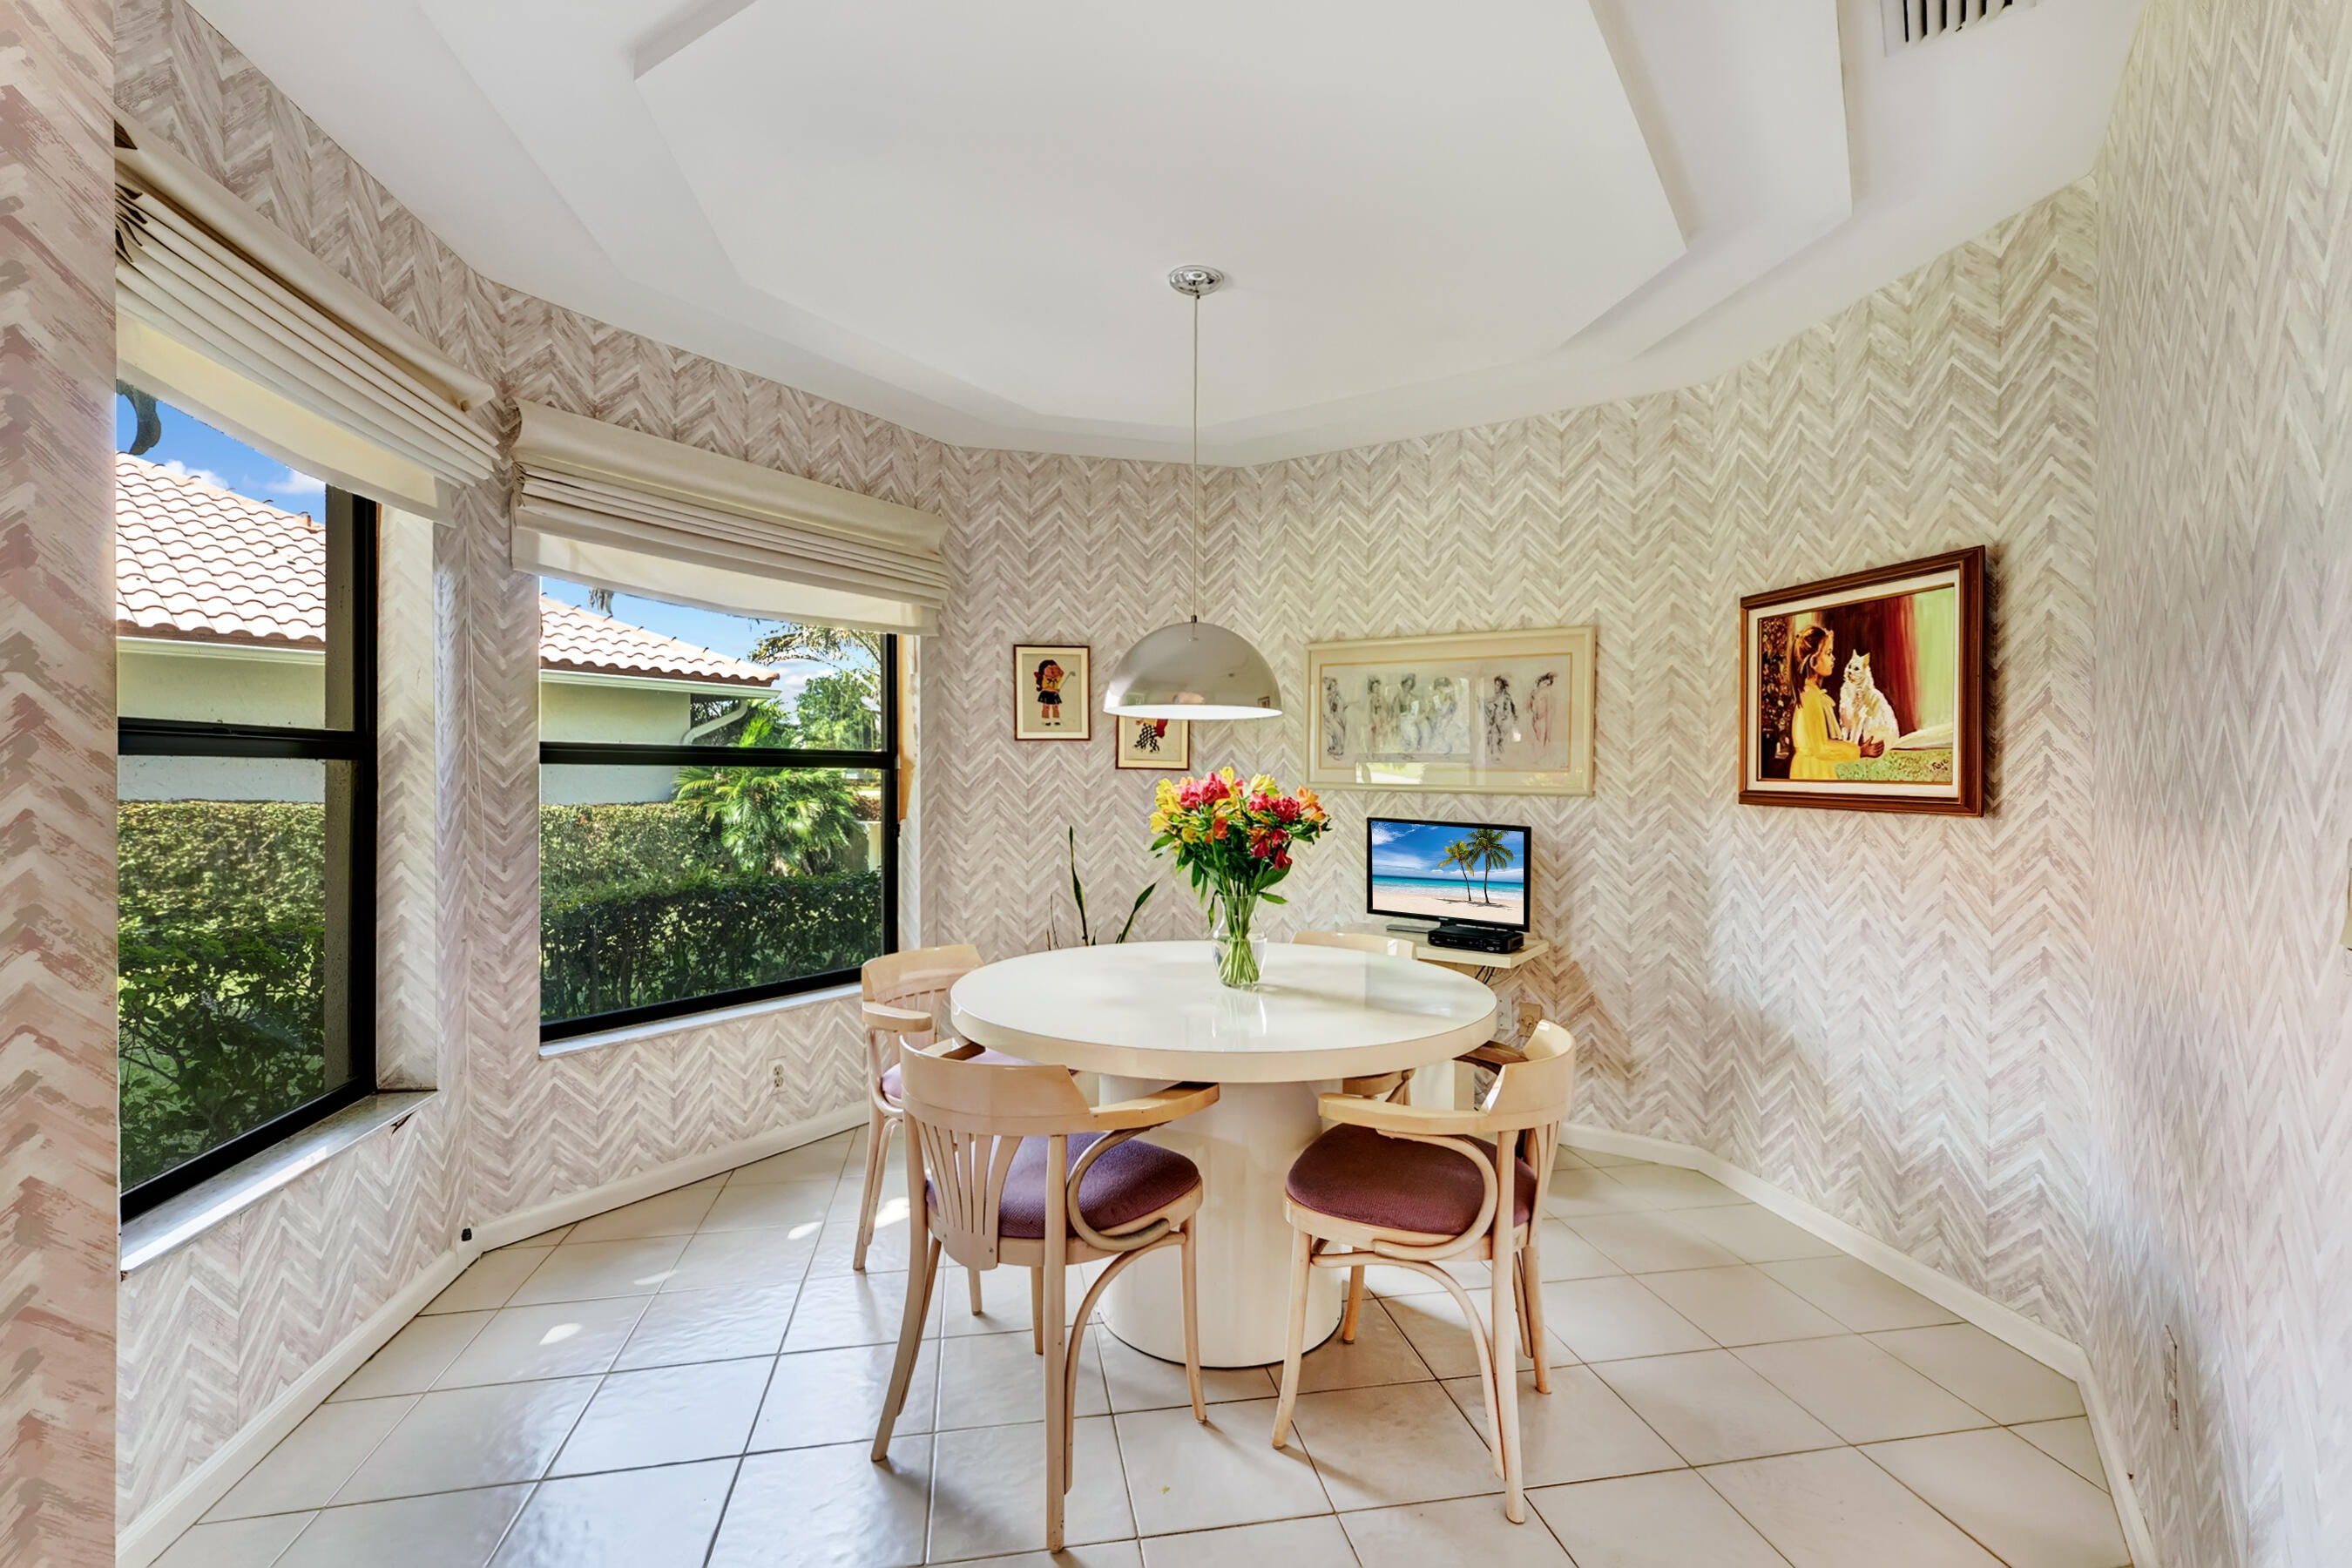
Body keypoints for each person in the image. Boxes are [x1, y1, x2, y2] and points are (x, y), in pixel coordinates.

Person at [1786, 626, 1883, 780]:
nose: (1833, 658)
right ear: (1814, 662)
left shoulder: (1813, 694)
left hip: (1815, 767)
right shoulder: (1810, 697)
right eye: (1828, 653)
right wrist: (1859, 751)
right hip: (1811, 771)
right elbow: (1821, 747)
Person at [1035, 659, 1064, 727]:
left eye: (1054, 669)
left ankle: (1056, 719)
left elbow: (1062, 673)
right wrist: (1055, 690)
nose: (1053, 671)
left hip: (1054, 694)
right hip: (1046, 694)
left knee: (1055, 707)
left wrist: (1056, 667)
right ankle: (1045, 720)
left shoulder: (1057, 679)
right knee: (1046, 707)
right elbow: (1046, 688)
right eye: (1050, 669)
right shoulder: (1044, 679)